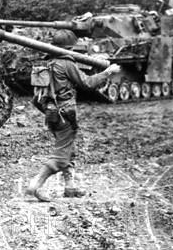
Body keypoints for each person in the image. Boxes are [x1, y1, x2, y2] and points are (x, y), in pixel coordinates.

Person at [26, 29, 121, 202]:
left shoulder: (47, 64)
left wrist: (50, 111)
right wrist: (108, 71)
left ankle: (70, 187)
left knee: (69, 148)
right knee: (61, 156)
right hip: (65, 113)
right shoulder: (67, 64)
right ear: (70, 47)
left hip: (52, 114)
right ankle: (35, 185)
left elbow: (36, 98)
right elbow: (88, 83)